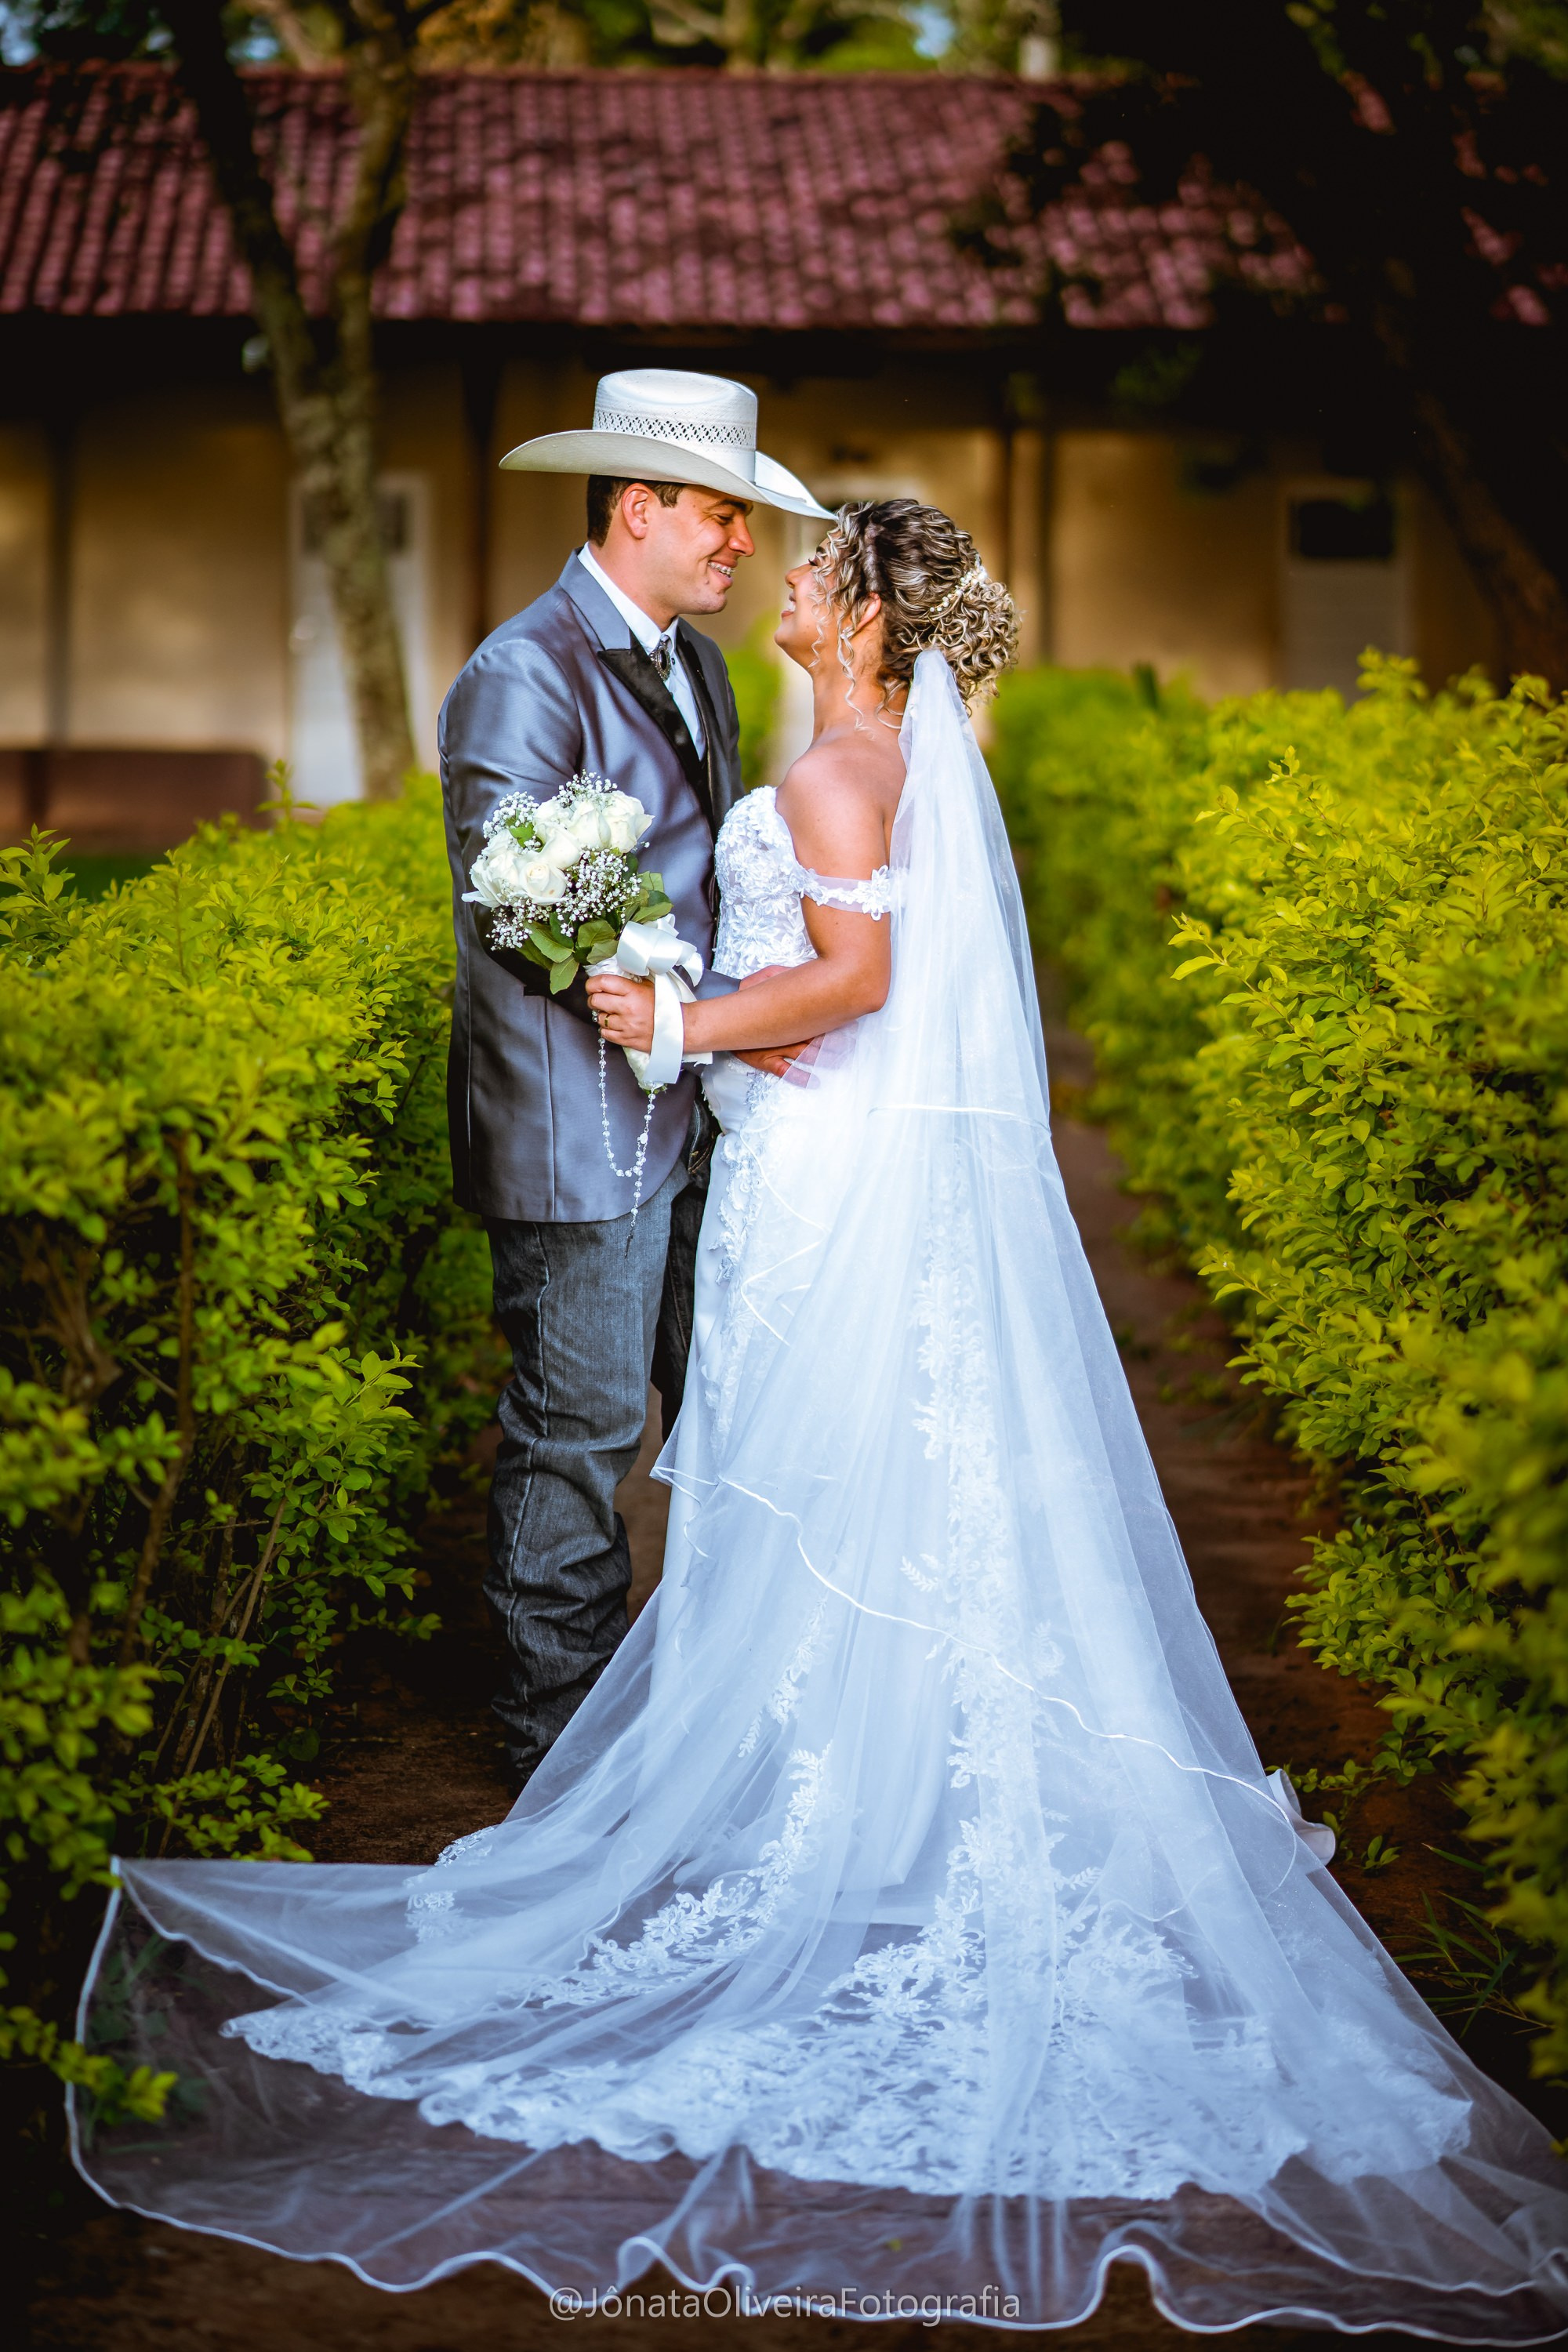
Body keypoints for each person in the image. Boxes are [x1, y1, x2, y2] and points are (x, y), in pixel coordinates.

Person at [76, 503, 1568, 2339]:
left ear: (863, 615)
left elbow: (858, 984)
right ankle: (840, 1784)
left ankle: (822, 1802)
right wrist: (721, 1009)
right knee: (864, 1479)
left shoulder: (842, 775)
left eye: (813, 563)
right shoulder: (867, 759)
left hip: (819, 1174)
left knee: (822, 1471)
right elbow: (852, 977)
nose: (781, 575)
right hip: (814, 1159)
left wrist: (682, 1023)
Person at [437, 367, 833, 1790]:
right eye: (722, 515)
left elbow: (703, 885)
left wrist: (733, 1023)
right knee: (581, 1434)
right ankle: (556, 1761)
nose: (743, 545)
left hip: (701, 1113)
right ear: (637, 508)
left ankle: (706, 1728)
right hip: (576, 1124)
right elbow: (522, 900)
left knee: (725, 1412)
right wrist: (710, 1017)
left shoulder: (702, 667)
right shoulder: (522, 670)